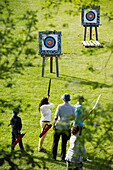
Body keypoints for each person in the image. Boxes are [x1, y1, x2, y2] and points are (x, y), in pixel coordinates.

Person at [51, 93, 75, 161]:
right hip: (66, 127)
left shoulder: (60, 106)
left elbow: (56, 117)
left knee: (55, 142)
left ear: (63, 99)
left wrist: (53, 124)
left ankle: (53, 157)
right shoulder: (72, 107)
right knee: (64, 143)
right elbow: (73, 118)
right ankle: (62, 157)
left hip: (59, 126)